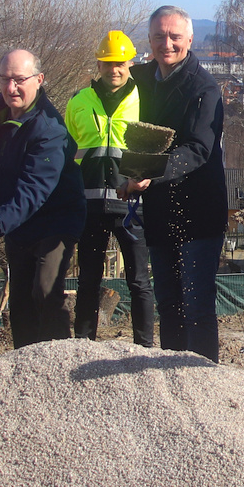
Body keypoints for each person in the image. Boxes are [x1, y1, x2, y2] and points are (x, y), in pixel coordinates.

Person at [0, 50, 86, 347]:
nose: (11, 88)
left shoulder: (49, 128)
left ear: (38, 80)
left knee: (45, 290)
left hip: (54, 217)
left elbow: (32, 191)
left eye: (19, 80)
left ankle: (59, 359)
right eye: (5, 79)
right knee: (20, 300)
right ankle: (22, 366)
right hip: (18, 220)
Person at [127, 7, 227, 360]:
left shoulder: (204, 88)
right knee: (168, 304)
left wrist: (148, 173)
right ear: (149, 39)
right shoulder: (137, 80)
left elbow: (199, 149)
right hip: (159, 211)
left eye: (174, 37)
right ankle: (170, 381)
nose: (166, 43)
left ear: (189, 39)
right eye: (158, 36)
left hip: (199, 211)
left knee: (196, 306)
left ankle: (202, 380)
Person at [65, 30, 157, 346]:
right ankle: (83, 344)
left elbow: (155, 151)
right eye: (107, 63)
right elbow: (69, 152)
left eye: (119, 63)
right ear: (99, 64)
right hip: (89, 205)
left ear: (130, 62)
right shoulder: (78, 102)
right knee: (88, 279)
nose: (114, 69)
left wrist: (144, 180)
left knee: (139, 280)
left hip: (130, 205)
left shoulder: (143, 100)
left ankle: (144, 348)